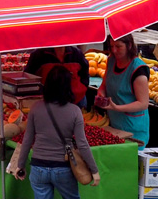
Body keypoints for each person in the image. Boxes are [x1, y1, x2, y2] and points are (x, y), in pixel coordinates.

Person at [14, 65, 100, 198]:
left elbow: (27, 140)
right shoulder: (74, 111)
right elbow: (82, 144)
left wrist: (20, 165)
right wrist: (94, 170)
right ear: (68, 86)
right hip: (63, 168)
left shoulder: (36, 108)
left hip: (38, 167)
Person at [96, 35, 150, 145]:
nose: (114, 50)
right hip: (114, 125)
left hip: (134, 130)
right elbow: (104, 85)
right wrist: (101, 93)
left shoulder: (138, 70)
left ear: (129, 45)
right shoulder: (111, 61)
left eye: (118, 46)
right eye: (111, 46)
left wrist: (116, 107)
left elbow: (143, 103)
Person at [25, 46, 90, 105]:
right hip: (47, 104)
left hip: (76, 101)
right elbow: (28, 78)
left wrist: (81, 89)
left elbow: (85, 75)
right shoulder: (38, 55)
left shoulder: (77, 54)